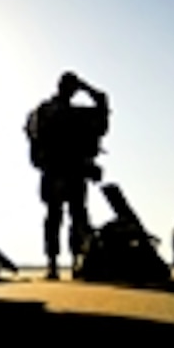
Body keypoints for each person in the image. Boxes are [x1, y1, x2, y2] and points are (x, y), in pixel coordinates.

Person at [26, 72, 109, 280]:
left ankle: (64, 262)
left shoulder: (57, 111)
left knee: (66, 217)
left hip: (68, 170)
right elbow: (102, 103)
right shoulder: (62, 112)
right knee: (66, 216)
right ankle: (64, 262)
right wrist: (86, 87)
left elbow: (102, 106)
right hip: (61, 170)